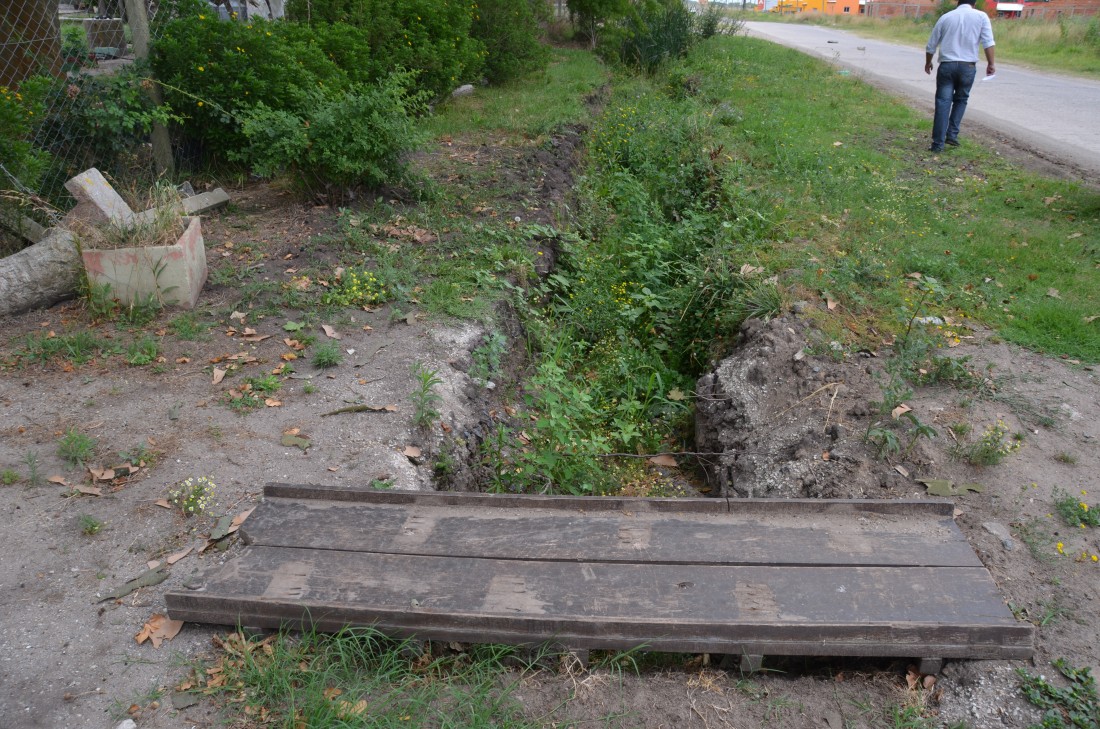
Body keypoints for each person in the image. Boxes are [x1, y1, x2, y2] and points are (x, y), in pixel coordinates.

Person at [924, 0, 995, 153]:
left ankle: (937, 144)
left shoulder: (946, 17)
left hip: (947, 66)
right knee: (961, 100)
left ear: (958, 3)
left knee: (943, 102)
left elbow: (931, 45)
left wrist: (928, 62)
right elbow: (988, 42)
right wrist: (991, 63)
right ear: (974, 3)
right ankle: (952, 134)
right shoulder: (981, 16)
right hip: (967, 66)